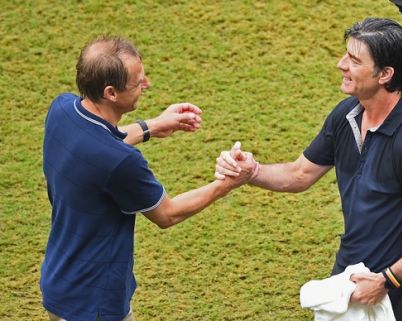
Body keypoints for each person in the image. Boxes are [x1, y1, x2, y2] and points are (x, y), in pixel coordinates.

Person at [215, 18, 402, 321]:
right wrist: (251, 172)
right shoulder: (346, 115)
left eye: (354, 60)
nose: (340, 64)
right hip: (348, 273)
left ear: (385, 74)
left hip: (396, 287)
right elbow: (299, 174)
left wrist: (387, 279)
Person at [40, 36, 253, 321]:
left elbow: (95, 145)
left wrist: (150, 126)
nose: (147, 84)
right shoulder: (121, 162)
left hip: (59, 285)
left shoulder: (62, 110)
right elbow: (168, 214)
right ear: (111, 93)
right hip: (95, 303)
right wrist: (229, 182)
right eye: (138, 81)